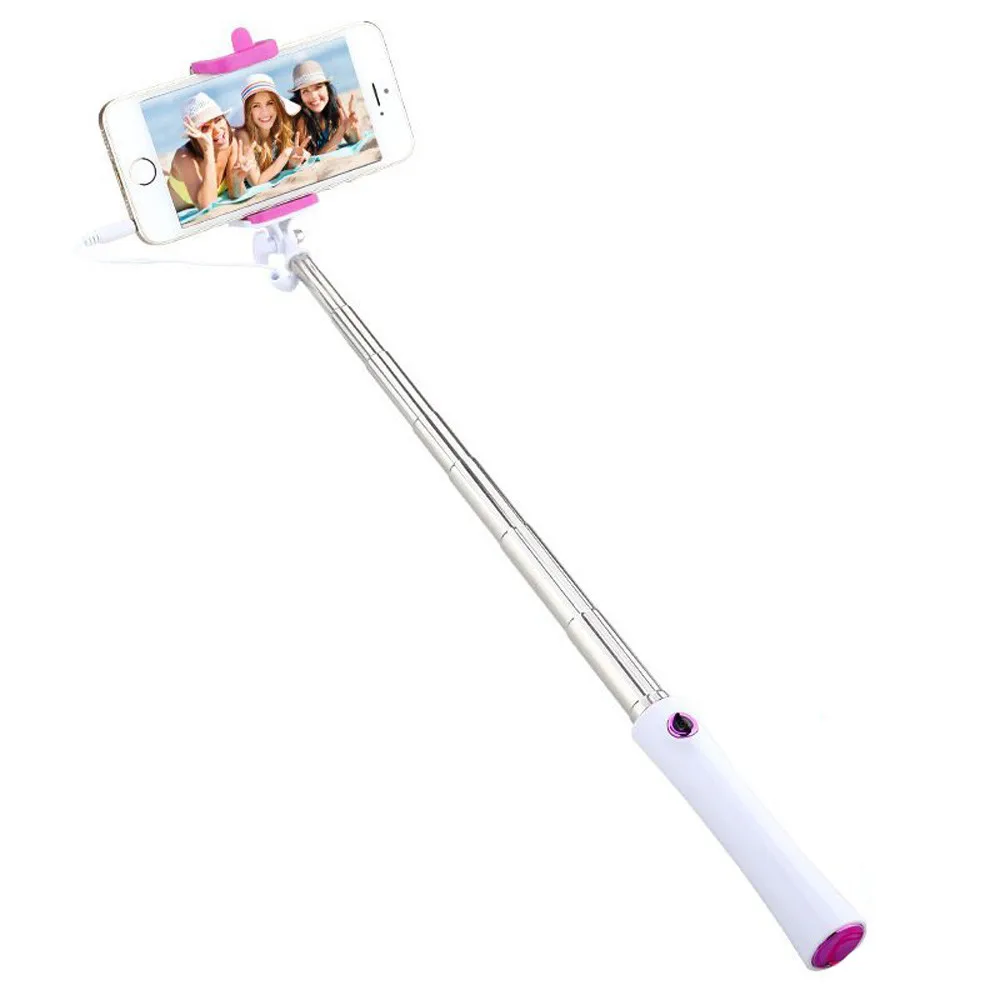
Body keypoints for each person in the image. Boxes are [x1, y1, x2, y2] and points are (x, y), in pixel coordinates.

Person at [167, 93, 242, 211]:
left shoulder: (231, 143)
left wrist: (238, 180)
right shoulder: (184, 157)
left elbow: (235, 194)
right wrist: (208, 151)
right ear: (194, 136)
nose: (217, 130)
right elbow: (207, 207)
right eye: (205, 127)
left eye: (218, 120)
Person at [236, 74, 307, 184]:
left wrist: (292, 163)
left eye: (270, 103)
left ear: (277, 106)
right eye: (256, 106)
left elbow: (278, 174)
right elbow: (256, 182)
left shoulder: (280, 128)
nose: (264, 112)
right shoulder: (243, 135)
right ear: (248, 112)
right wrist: (286, 154)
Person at [289, 59, 360, 155]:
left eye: (318, 87)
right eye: (305, 91)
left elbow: (354, 142)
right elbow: (313, 159)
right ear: (300, 96)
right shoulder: (299, 118)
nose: (313, 96)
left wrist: (352, 128)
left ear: (327, 88)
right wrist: (341, 130)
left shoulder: (334, 107)